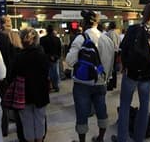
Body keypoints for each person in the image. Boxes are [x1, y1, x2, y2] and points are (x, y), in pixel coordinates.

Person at [112, 3, 150, 142]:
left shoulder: (133, 29)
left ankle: (122, 138)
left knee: (125, 106)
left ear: (142, 14)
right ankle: (139, 138)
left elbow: (123, 49)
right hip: (146, 76)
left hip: (131, 74)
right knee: (144, 107)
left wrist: (123, 66)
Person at [66, 10, 114, 142]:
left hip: (82, 84)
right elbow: (111, 63)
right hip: (101, 82)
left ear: (84, 22)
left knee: (82, 113)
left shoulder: (80, 38)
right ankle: (101, 138)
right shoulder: (107, 39)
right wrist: (106, 79)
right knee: (101, 110)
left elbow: (70, 61)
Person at [11, 27, 50, 142]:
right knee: (40, 120)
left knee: (27, 121)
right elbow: (46, 73)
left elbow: (13, 74)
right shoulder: (42, 55)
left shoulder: (18, 56)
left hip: (24, 94)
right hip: (40, 92)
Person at [0, 15, 23, 137]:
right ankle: (20, 129)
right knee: (17, 104)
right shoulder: (15, 37)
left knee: (1, 105)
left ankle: (3, 130)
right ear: (10, 23)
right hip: (15, 75)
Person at [40, 25, 62, 92]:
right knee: (55, 72)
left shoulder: (42, 39)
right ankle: (56, 86)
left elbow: (41, 50)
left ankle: (48, 87)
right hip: (55, 58)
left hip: (45, 58)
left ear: (46, 30)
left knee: (47, 73)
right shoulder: (57, 39)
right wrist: (57, 57)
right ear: (53, 31)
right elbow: (59, 49)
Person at [106, 21, 121, 90]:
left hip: (109, 52)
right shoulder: (117, 34)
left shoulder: (107, 34)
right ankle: (114, 84)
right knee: (114, 68)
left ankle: (110, 85)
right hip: (116, 52)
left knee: (110, 68)